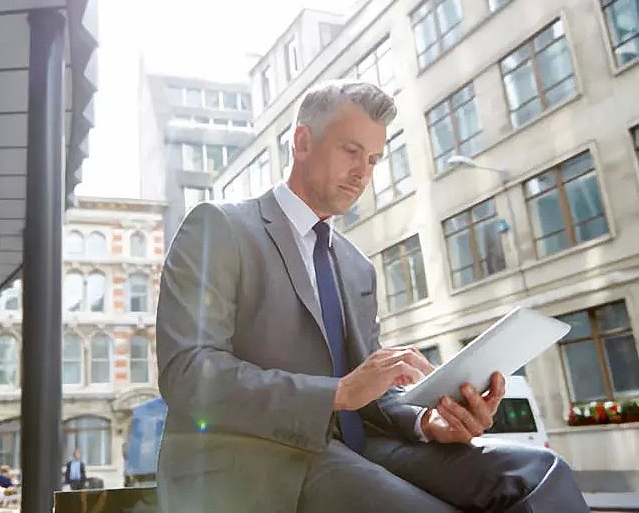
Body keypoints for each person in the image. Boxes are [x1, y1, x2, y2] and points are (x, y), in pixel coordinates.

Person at [155, 79, 590, 512]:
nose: (363, 172)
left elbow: (371, 396)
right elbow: (188, 371)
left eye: (374, 158)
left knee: (539, 474)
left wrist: (427, 420)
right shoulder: (219, 227)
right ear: (303, 142)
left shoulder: (355, 264)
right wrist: (336, 394)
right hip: (263, 459)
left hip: (366, 447)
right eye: (350, 151)